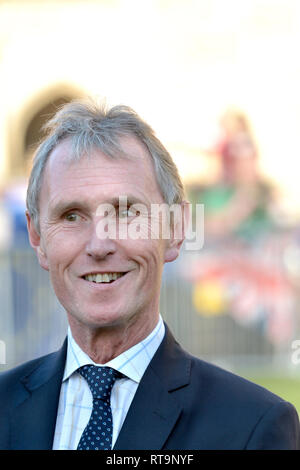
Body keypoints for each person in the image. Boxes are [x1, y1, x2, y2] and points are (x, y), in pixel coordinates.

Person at [0, 99, 299, 450]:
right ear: (37, 237)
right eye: (71, 215)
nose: (99, 244)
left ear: (175, 227)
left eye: (126, 212)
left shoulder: (253, 427)